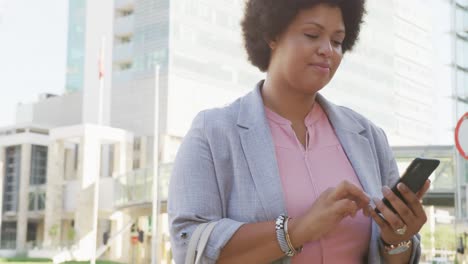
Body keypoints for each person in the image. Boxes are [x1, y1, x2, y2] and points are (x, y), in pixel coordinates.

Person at [168, 0, 430, 263]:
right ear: (272, 34)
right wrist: (297, 230)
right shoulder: (213, 133)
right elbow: (189, 244)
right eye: (312, 35)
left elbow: (398, 256)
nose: (327, 50)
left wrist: (398, 239)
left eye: (338, 41)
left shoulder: (370, 137)